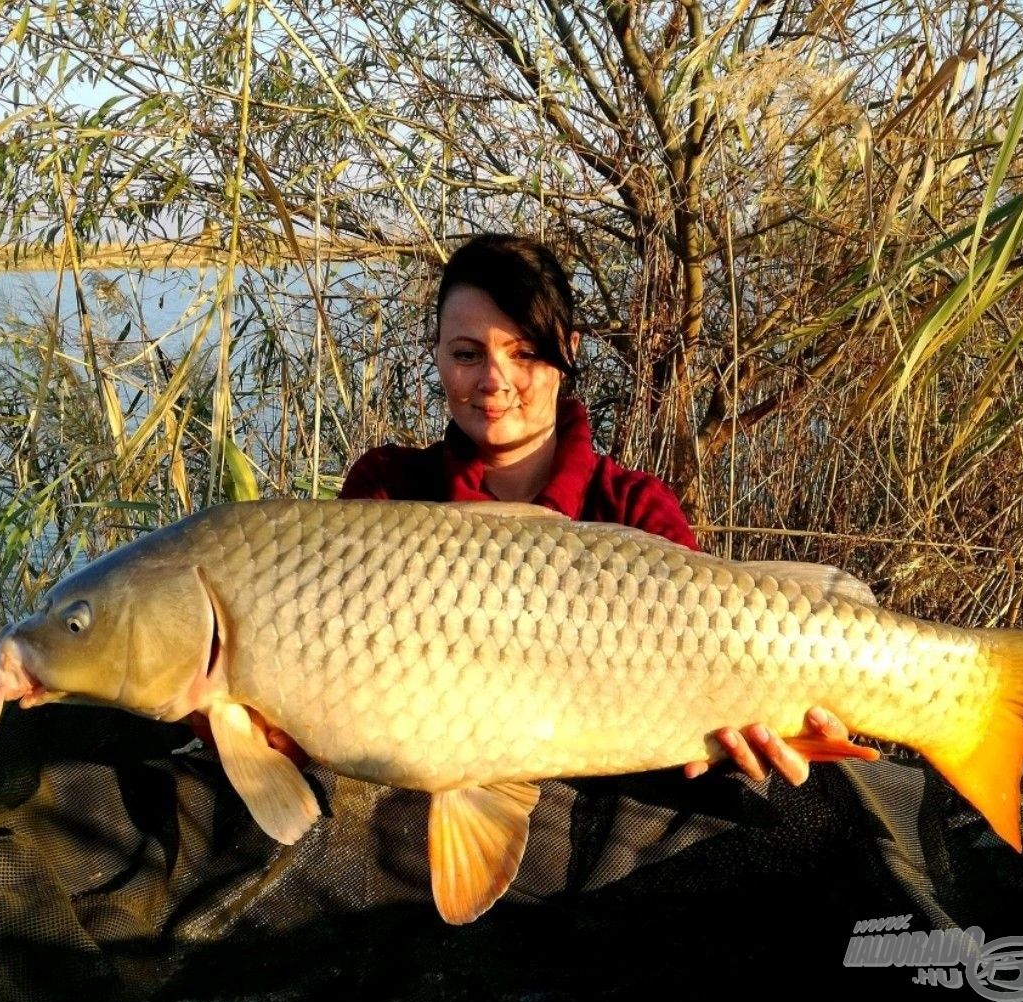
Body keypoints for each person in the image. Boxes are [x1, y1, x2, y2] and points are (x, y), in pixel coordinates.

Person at [340, 232, 850, 786]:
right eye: (467, 354)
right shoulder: (387, 491)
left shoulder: (633, 506)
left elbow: (713, 680)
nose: (494, 380)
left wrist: (767, 741)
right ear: (437, 352)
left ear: (570, 352)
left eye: (525, 352)